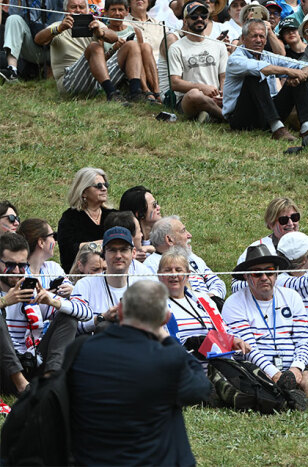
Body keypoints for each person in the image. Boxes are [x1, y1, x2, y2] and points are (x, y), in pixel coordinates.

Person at [68, 281, 211, 466]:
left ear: (119, 311)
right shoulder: (168, 358)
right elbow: (200, 389)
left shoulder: (80, 350)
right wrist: (169, 340)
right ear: (166, 319)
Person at [222, 246, 308, 409]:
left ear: (277, 273)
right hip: (257, 371)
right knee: (261, 383)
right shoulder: (234, 303)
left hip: (292, 371)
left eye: (270, 271)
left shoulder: (292, 296)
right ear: (246, 276)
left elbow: (304, 340)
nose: (264, 277)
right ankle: (299, 400)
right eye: (257, 273)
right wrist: (274, 373)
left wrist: (296, 368)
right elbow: (249, 349)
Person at [0, 231, 78, 393]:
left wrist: (52, 301)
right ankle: (21, 385)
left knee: (67, 316)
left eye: (22, 265)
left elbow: (85, 314)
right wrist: (4, 302)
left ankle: (51, 382)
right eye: (9, 265)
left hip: (31, 364)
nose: (16, 271)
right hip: (4, 372)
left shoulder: (31, 292)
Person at [224, 18, 308, 144]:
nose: (259, 40)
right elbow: (262, 68)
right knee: (255, 75)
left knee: (299, 77)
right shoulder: (236, 58)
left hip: (266, 113)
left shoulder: (268, 55)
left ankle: (307, 128)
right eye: (254, 36)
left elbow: (307, 66)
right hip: (242, 117)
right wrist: (289, 72)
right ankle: (278, 128)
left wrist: (302, 74)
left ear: (266, 40)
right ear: (243, 39)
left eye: (262, 36)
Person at [168, 1, 228, 121]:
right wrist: (202, 88)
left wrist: (223, 94)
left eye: (203, 16)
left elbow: (224, 77)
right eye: (194, 16)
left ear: (207, 19)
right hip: (188, 100)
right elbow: (175, 83)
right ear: (185, 21)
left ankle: (209, 114)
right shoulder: (176, 47)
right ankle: (225, 118)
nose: (199, 19)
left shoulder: (219, 45)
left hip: (215, 98)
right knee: (194, 94)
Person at [144, 215, 225, 302]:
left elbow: (218, 283)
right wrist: (199, 301)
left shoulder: (191, 257)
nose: (189, 235)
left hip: (209, 306)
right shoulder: (151, 265)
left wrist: (211, 296)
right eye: (183, 231)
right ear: (169, 240)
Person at [57, 167, 113, 273]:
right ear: (84, 192)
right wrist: (105, 243)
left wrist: (87, 246)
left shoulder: (113, 215)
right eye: (98, 186)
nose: (104, 188)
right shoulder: (70, 218)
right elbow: (69, 250)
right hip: (79, 275)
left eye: (106, 185)